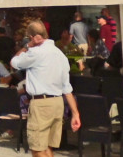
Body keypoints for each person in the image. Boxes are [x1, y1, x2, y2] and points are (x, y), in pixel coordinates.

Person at [11, 20, 80, 157]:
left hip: (41, 104)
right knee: (48, 147)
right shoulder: (60, 55)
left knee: (37, 149)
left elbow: (14, 62)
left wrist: (27, 46)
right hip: (58, 103)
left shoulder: (35, 53)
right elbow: (67, 88)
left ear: (31, 37)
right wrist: (75, 113)